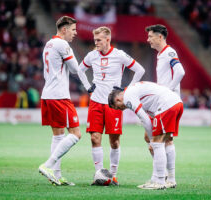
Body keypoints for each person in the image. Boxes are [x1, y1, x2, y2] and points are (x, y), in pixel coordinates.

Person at [77, 26, 145, 185]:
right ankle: (99, 174)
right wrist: (88, 87)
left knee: (114, 141)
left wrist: (127, 91)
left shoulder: (119, 55)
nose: (96, 43)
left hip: (113, 105)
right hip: (95, 102)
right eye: (95, 40)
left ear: (108, 39)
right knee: (94, 138)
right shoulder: (91, 55)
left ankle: (113, 175)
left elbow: (139, 70)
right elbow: (79, 70)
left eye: (99, 40)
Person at [108, 81, 183, 189]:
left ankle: (160, 181)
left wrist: (152, 141)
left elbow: (146, 120)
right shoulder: (133, 90)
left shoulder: (128, 97)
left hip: (166, 105)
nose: (121, 110)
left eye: (118, 107)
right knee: (166, 140)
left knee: (157, 143)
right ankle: (169, 179)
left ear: (118, 99)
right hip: (176, 102)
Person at [38, 16, 81, 186]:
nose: (75, 33)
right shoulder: (62, 44)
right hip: (59, 96)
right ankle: (48, 165)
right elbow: (76, 69)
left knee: (58, 136)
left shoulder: (48, 44)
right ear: (64, 29)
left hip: (48, 94)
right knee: (76, 134)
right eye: (73, 30)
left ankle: (55, 174)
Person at [145, 24, 185, 183]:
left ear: (159, 37)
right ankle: (168, 177)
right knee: (157, 139)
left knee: (158, 140)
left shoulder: (169, 52)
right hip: (165, 102)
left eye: (150, 36)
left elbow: (181, 72)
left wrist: (167, 91)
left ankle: (164, 177)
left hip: (167, 102)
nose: (148, 40)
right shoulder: (161, 54)